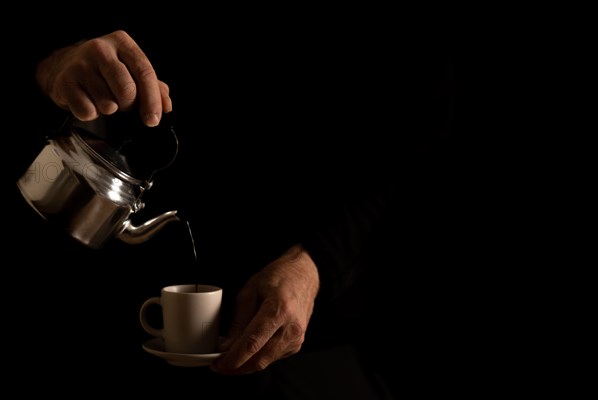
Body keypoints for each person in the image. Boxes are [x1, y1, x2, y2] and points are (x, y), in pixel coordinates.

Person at [9, 12, 456, 399]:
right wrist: (55, 63)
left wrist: (314, 261)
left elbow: (413, 154)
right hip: (88, 320)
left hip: (305, 333)